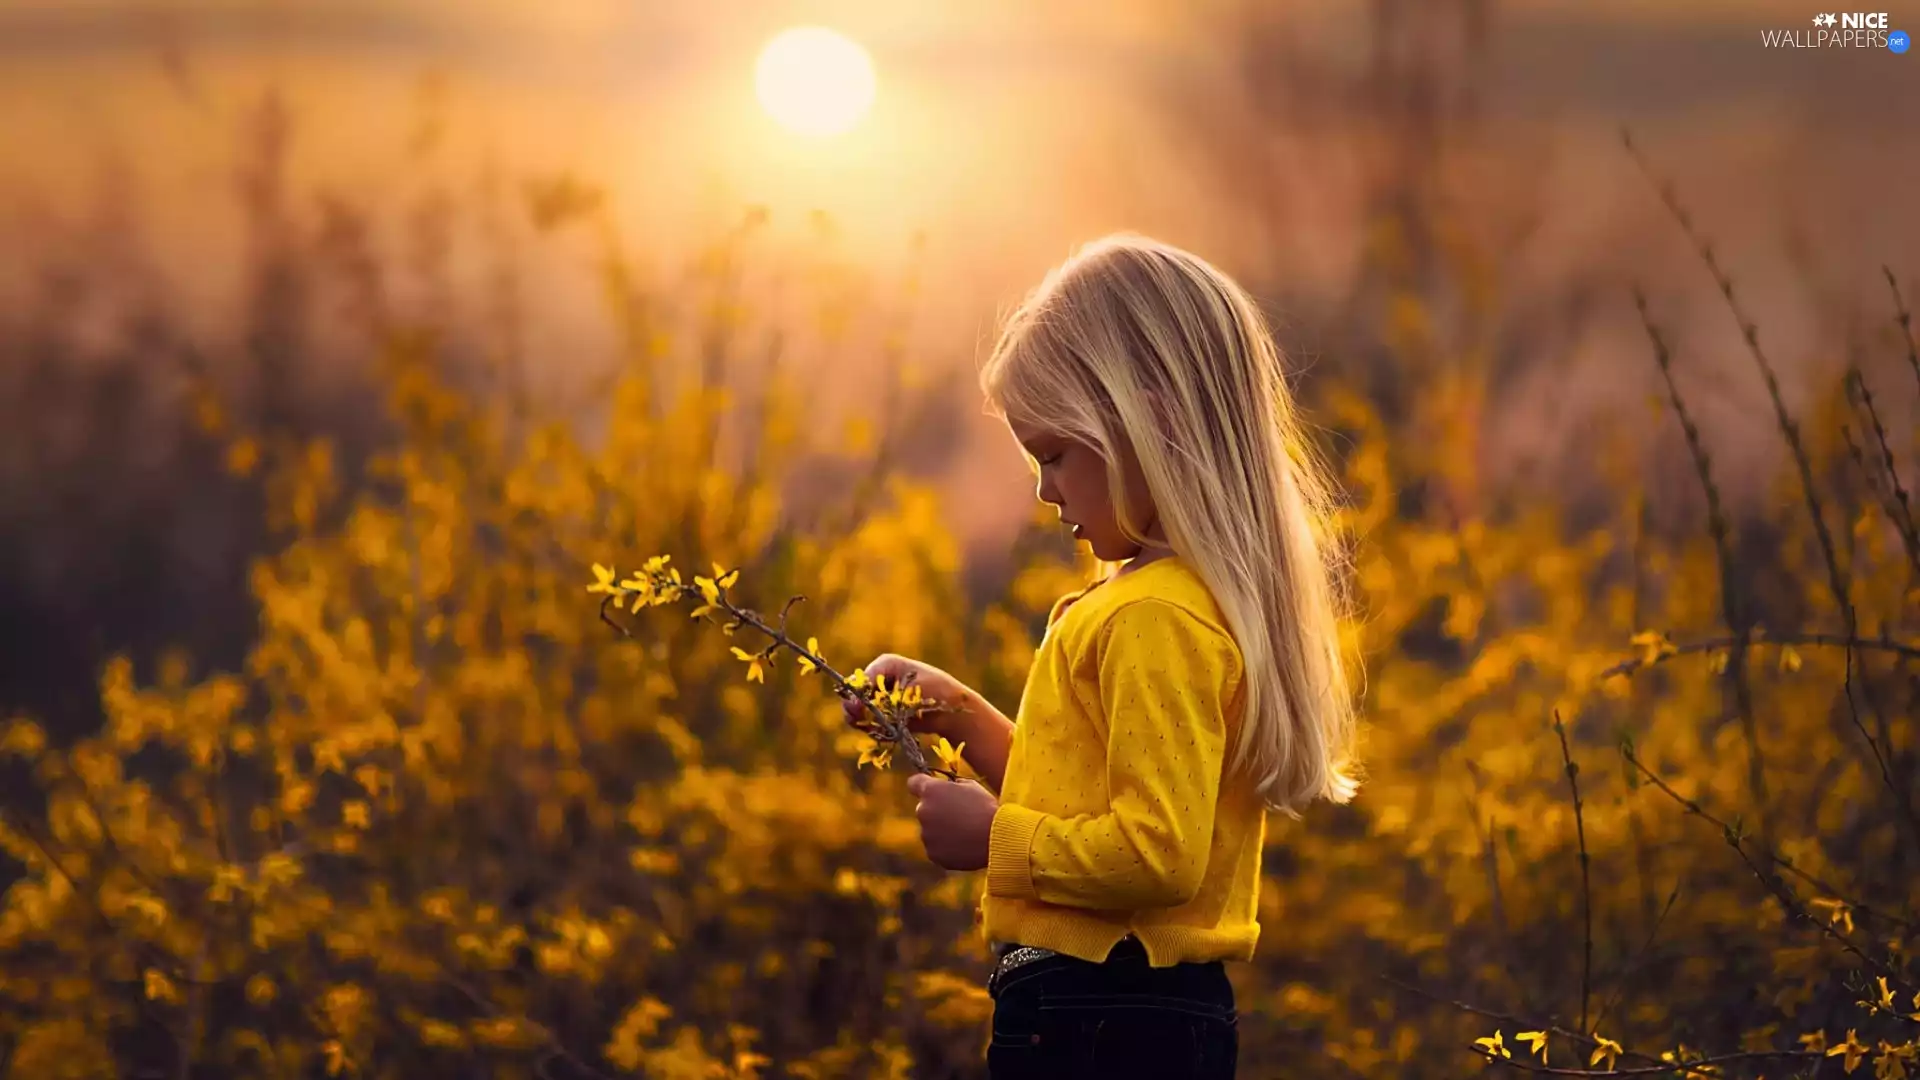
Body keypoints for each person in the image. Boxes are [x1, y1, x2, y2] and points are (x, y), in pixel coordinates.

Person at [843, 234, 1363, 1079]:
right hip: (1117, 1010)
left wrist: (995, 840)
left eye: (1054, 454)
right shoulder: (1152, 601)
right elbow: (1091, 804)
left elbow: (1154, 856)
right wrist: (961, 717)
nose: (1045, 490)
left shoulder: (1157, 617)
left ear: (1150, 418)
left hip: (1108, 1013)